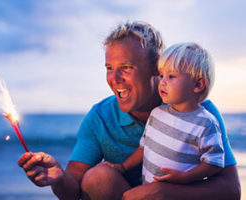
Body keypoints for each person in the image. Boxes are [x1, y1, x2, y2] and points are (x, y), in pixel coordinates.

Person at [18, 22, 240, 200]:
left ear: (156, 69)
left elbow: (231, 190)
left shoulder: (199, 112)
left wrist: (167, 193)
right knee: (97, 178)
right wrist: (57, 177)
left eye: (126, 68)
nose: (114, 80)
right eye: (109, 68)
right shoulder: (100, 118)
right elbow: (73, 191)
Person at [103, 42, 225, 185]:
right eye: (161, 75)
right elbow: (143, 148)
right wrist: (123, 167)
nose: (162, 82)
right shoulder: (157, 114)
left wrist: (185, 176)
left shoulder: (206, 123)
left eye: (171, 76)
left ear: (198, 84)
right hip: (149, 190)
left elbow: (214, 163)